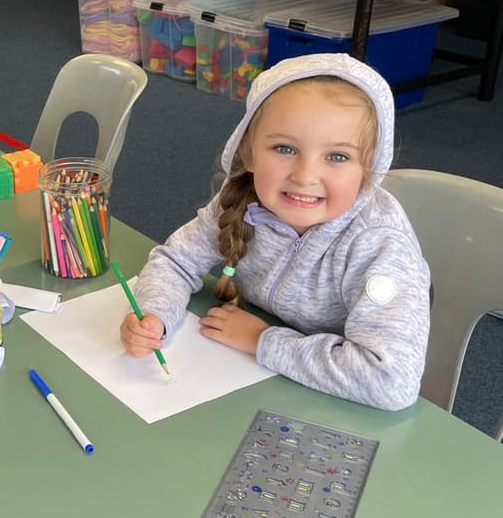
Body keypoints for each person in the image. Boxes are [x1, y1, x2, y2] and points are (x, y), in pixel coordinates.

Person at [119, 53, 430, 412]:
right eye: (285, 148)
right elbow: (176, 261)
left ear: (369, 165)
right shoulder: (241, 197)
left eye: (337, 156)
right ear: (248, 152)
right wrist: (154, 314)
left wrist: (262, 340)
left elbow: (391, 381)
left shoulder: (379, 242)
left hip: (332, 400)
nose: (305, 176)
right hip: (260, 378)